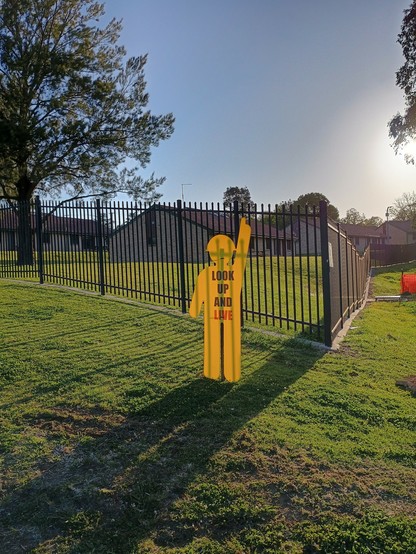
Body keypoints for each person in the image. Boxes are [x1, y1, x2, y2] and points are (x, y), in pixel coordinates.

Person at [189, 217, 251, 382]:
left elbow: (197, 296)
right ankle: (231, 374)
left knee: (212, 342)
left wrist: (194, 310)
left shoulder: (205, 273)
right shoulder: (235, 271)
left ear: (210, 255)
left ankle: (212, 371)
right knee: (231, 342)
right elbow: (242, 257)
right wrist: (244, 233)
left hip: (212, 314)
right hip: (231, 313)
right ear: (231, 253)